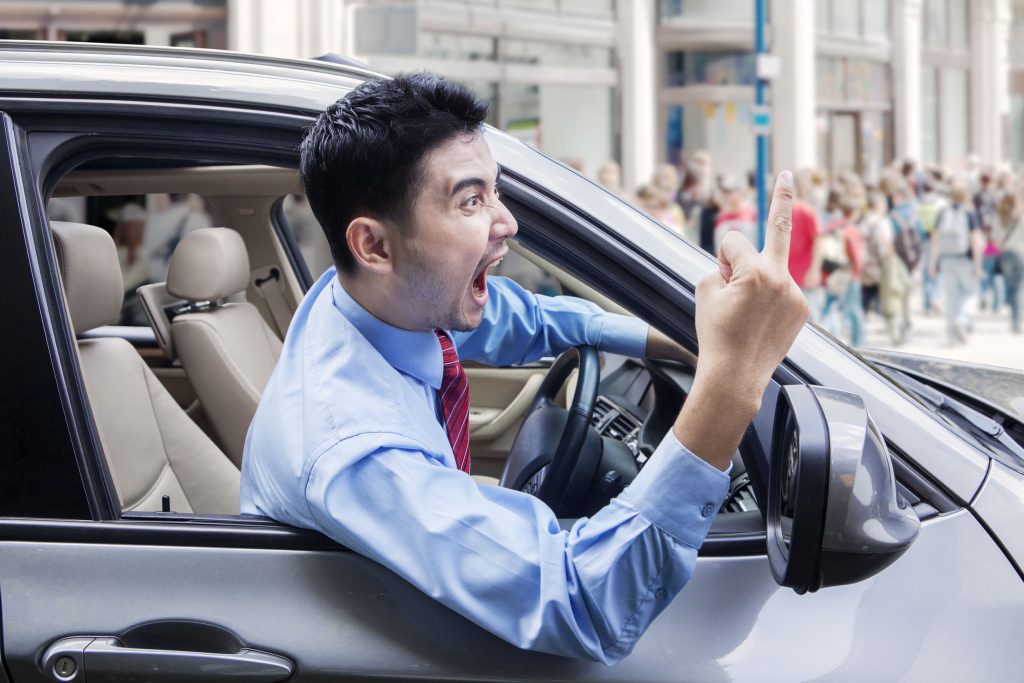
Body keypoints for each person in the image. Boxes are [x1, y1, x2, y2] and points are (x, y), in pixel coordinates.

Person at [241, 74, 808, 664]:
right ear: (376, 246)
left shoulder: (363, 295)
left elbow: (524, 318)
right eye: (471, 200)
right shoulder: (361, 455)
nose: (506, 221)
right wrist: (732, 381)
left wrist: (684, 339)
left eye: (496, 191)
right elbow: (585, 603)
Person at [929, 182, 983, 346]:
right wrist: (977, 265)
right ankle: (963, 318)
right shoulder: (969, 213)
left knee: (952, 298)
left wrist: (932, 263)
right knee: (971, 293)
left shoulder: (942, 212)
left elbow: (935, 240)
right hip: (964, 259)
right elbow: (975, 240)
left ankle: (952, 336)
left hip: (946, 259)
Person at [140, 193, 213, 282]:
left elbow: (147, 251)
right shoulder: (198, 219)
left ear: (169, 196)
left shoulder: (154, 220)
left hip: (156, 282)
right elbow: (205, 255)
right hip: (186, 281)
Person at [993, 192, 1024, 333]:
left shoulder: (999, 217)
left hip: (1005, 254)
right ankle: (1016, 321)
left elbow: (995, 239)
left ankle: (1012, 312)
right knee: (1018, 288)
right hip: (1020, 254)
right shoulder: (1021, 216)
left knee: (1010, 286)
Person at [713, 174, 758, 253]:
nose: (726, 195)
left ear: (740, 192)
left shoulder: (752, 214)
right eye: (724, 192)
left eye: (729, 191)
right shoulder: (721, 218)